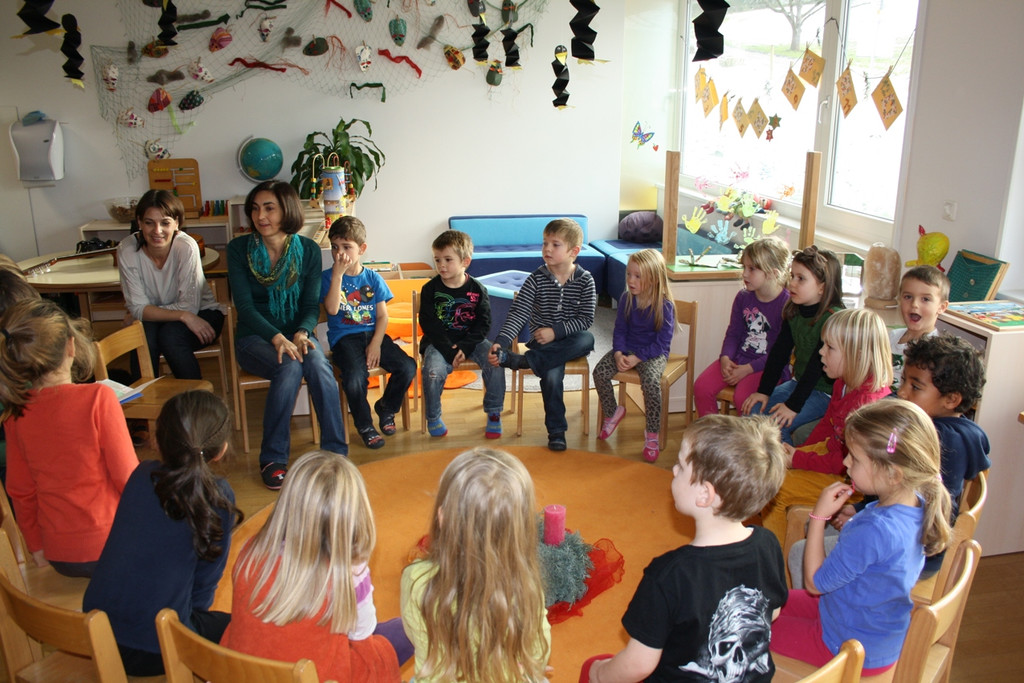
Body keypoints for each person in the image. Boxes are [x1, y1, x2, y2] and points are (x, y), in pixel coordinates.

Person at [582, 415, 788, 683]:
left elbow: (638, 665)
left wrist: (598, 673)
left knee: (594, 665)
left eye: (680, 466)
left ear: (705, 494)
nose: (673, 470)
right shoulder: (768, 544)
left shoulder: (669, 574)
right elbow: (772, 611)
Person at [789, 332, 991, 588]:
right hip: (901, 531)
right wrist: (860, 509)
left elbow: (916, 508)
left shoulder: (936, 441)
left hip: (912, 551)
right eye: (903, 380)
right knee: (812, 529)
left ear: (951, 399)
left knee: (800, 552)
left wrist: (861, 517)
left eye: (915, 387)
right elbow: (897, 489)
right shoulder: (964, 432)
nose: (902, 392)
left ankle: (820, 608)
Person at [770, 400, 952, 675]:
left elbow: (815, 583)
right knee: (762, 602)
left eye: (854, 458)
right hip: (867, 628)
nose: (845, 462)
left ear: (892, 474)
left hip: (846, 646)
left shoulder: (875, 530)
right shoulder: (916, 503)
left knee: (745, 627)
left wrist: (818, 517)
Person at [83, 391, 241, 676]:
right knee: (246, 628)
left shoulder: (141, 474)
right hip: (157, 647)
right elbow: (204, 586)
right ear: (221, 449)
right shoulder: (218, 496)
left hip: (98, 633)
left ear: (158, 439)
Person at [222, 450, 405, 681]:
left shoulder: (251, 550)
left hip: (244, 671)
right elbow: (362, 632)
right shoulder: (347, 573)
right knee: (407, 629)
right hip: (316, 676)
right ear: (353, 517)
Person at [0, 299, 137, 578]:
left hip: (59, 555)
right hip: (112, 548)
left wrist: (37, 547)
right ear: (71, 347)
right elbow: (128, 478)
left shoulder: (16, 415)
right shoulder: (99, 398)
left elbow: (21, 490)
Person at [226, 180, 347, 490]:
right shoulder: (238, 249)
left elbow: (309, 305)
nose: (260, 216)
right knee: (289, 365)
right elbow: (244, 308)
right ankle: (273, 457)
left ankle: (335, 453)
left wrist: (303, 333)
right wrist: (276, 338)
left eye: (269, 208)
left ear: (287, 210)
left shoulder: (307, 250)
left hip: (297, 334)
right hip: (254, 338)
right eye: (255, 209)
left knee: (318, 365)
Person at [401, 448, 550, 683]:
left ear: (443, 518)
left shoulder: (416, 580)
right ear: (521, 529)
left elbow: (416, 638)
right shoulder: (527, 585)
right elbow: (540, 653)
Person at [760, 308, 893, 542]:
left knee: (775, 491)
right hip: (835, 457)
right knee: (773, 467)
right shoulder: (842, 382)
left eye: (830, 347)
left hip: (852, 479)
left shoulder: (866, 405)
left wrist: (799, 460)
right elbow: (827, 425)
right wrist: (799, 453)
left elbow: (844, 463)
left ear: (856, 355)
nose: (820, 352)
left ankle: (778, 558)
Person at [488, 218, 596, 451]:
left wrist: (556, 332)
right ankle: (557, 432)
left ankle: (524, 361)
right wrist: (501, 342)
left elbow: (586, 319)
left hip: (571, 341)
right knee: (552, 376)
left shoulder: (585, 280)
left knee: (588, 338)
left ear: (574, 251)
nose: (547, 248)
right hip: (543, 345)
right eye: (545, 243)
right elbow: (518, 313)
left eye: (555, 244)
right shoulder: (536, 278)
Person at [321, 216, 416, 450]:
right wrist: (338, 275)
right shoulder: (328, 277)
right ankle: (364, 425)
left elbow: (383, 316)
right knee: (354, 379)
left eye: (346, 247)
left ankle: (386, 408)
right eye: (335, 247)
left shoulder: (372, 278)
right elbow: (332, 309)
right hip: (344, 339)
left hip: (374, 335)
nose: (339, 254)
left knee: (407, 367)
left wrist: (375, 343)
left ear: (361, 249)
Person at [117, 189, 226, 380]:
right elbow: (139, 308)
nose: (157, 231)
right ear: (139, 222)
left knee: (169, 337)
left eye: (165, 223)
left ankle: (194, 396)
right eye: (149, 223)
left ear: (177, 223)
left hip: (201, 314)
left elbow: (189, 306)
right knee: (142, 336)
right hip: (174, 317)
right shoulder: (127, 250)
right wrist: (182, 315)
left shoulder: (186, 247)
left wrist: (144, 311)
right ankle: (144, 395)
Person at [742, 245, 844, 444]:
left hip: (825, 393)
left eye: (801, 278)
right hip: (798, 383)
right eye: (792, 276)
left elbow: (815, 369)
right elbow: (778, 354)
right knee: (753, 413)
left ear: (822, 287)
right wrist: (764, 391)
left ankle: (788, 462)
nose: (792, 283)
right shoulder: (794, 310)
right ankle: (758, 462)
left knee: (777, 423)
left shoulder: (833, 319)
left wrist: (792, 406)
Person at [418, 229, 504, 439]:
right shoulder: (430, 289)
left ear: (465, 261)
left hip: (472, 341)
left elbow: (483, 323)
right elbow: (429, 324)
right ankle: (433, 417)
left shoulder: (477, 289)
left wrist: (465, 347)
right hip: (438, 342)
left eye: (448, 259)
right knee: (433, 372)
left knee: (495, 361)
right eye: (437, 260)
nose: (441, 265)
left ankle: (494, 412)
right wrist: (449, 351)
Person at [693, 236, 791, 418]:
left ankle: (743, 436)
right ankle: (714, 433)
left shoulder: (787, 304)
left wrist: (748, 369)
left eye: (752, 269)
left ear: (773, 273)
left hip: (766, 367)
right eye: (744, 267)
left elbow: (779, 353)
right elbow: (733, 333)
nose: (744, 274)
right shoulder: (743, 297)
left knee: (743, 399)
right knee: (702, 387)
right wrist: (725, 357)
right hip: (738, 358)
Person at [592, 248, 675, 462]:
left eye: (637, 276)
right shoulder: (626, 298)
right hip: (628, 348)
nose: (631, 280)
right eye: (629, 274)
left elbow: (662, 343)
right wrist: (619, 353)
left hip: (652, 354)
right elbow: (620, 330)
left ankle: (652, 434)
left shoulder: (665, 305)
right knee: (599, 372)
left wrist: (637, 358)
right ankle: (613, 412)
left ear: (653, 279)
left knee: (651, 383)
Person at [889, 265, 949, 391]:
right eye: (908, 297)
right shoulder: (891, 337)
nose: (914, 304)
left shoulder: (936, 352)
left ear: (941, 307)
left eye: (925, 299)